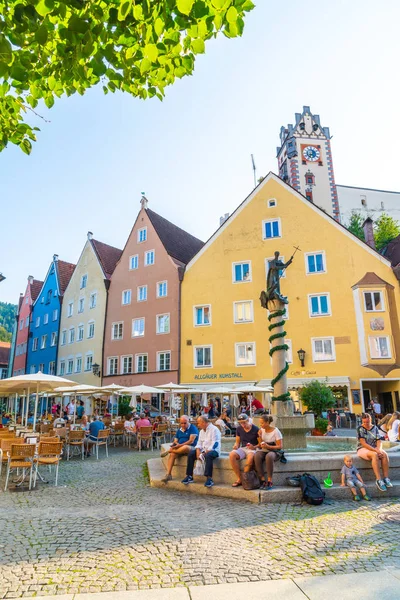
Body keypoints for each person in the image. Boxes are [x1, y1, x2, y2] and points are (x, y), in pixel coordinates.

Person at [181, 415, 221, 488]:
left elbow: (215, 444)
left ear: (203, 422)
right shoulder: (202, 431)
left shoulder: (214, 429)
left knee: (208, 456)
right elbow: (199, 443)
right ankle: (189, 476)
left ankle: (209, 478)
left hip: (214, 450)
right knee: (191, 454)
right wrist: (197, 450)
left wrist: (205, 452)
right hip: (203, 450)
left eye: (199, 423)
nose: (198, 425)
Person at [357, 412, 392, 491]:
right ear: (362, 421)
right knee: (374, 455)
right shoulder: (360, 428)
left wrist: (379, 449)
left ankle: (386, 478)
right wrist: (375, 450)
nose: (366, 423)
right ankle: (378, 480)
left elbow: (378, 440)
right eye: (364, 422)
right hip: (362, 448)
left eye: (368, 422)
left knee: (384, 454)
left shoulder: (375, 428)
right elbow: (363, 443)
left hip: (374, 448)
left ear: (371, 420)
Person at [161, 415, 199, 483]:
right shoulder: (179, 430)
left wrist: (180, 445)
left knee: (185, 447)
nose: (183, 425)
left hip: (191, 447)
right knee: (172, 454)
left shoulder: (193, 428)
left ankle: (170, 450)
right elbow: (176, 439)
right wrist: (176, 444)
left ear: (188, 421)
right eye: (182, 423)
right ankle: (168, 474)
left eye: (185, 423)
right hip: (179, 448)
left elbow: (191, 441)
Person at [229, 414, 259, 487]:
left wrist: (254, 447)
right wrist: (236, 446)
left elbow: (261, 444)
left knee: (250, 457)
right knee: (232, 454)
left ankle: (245, 479)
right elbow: (237, 442)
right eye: (240, 423)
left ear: (248, 420)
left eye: (244, 422)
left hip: (253, 448)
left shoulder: (256, 429)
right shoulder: (239, 429)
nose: (242, 425)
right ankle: (240, 478)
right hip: (243, 448)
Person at [254, 415, 283, 490]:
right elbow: (260, 444)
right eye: (260, 423)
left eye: (262, 423)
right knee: (257, 455)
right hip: (265, 449)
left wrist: (269, 447)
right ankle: (262, 479)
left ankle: (270, 480)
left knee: (269, 456)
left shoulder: (276, 431)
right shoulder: (262, 430)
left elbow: (280, 446)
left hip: (274, 450)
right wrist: (259, 436)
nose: (261, 425)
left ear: (267, 422)